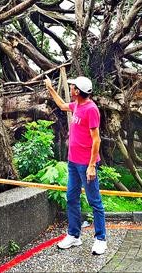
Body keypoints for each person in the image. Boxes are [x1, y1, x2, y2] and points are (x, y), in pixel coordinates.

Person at [44, 75, 107, 255]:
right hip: (73, 162)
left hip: (86, 164)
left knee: (94, 201)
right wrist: (50, 89)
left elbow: (96, 140)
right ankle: (74, 235)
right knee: (71, 198)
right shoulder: (77, 105)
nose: (70, 88)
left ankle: (101, 239)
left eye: (72, 86)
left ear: (77, 91)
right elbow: (62, 105)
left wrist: (92, 165)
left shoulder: (91, 109)